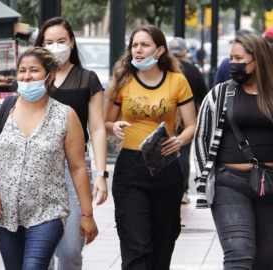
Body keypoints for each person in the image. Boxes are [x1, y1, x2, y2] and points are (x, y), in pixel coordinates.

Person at [0, 47, 98, 270]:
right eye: (22, 70)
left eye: (34, 70)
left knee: (33, 267)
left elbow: (78, 167)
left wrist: (87, 214)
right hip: (4, 213)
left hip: (47, 213)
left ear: (49, 76)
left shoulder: (65, 115)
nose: (27, 76)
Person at [10, 17, 108, 270]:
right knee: (42, 250)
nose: (55, 47)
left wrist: (100, 173)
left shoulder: (87, 78)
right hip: (36, 169)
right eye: (48, 42)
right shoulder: (34, 79)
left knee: (70, 250)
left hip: (73, 168)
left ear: (72, 42)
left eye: (61, 41)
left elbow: (97, 128)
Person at [104, 25, 197, 270]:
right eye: (134, 45)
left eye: (145, 44)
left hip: (165, 165)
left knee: (163, 242)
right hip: (130, 168)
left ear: (159, 50)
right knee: (136, 245)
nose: (138, 50)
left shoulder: (177, 81)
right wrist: (113, 127)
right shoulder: (123, 81)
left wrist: (180, 139)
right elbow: (105, 122)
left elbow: (191, 125)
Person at [194, 34, 273, 269]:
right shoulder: (221, 93)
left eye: (239, 58)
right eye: (231, 58)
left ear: (258, 60)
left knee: (266, 259)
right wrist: (203, 181)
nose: (233, 64)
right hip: (230, 183)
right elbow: (202, 135)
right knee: (239, 253)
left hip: (270, 183)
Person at [169, 37, 209, 204]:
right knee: (183, 152)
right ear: (185, 53)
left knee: (166, 151)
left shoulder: (166, 70)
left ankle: (169, 188)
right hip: (187, 118)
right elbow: (203, 97)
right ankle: (183, 189)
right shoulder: (193, 70)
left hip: (167, 115)